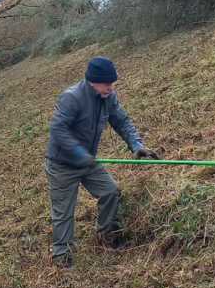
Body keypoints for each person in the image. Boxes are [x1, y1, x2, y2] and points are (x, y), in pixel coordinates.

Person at [45, 57, 159, 268]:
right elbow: (58, 130)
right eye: (107, 83)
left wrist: (136, 145)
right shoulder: (71, 98)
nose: (111, 87)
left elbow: (121, 120)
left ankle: (106, 237)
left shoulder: (108, 97)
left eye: (112, 83)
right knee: (64, 212)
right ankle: (62, 258)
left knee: (110, 191)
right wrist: (79, 154)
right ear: (92, 82)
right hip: (63, 165)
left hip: (88, 161)